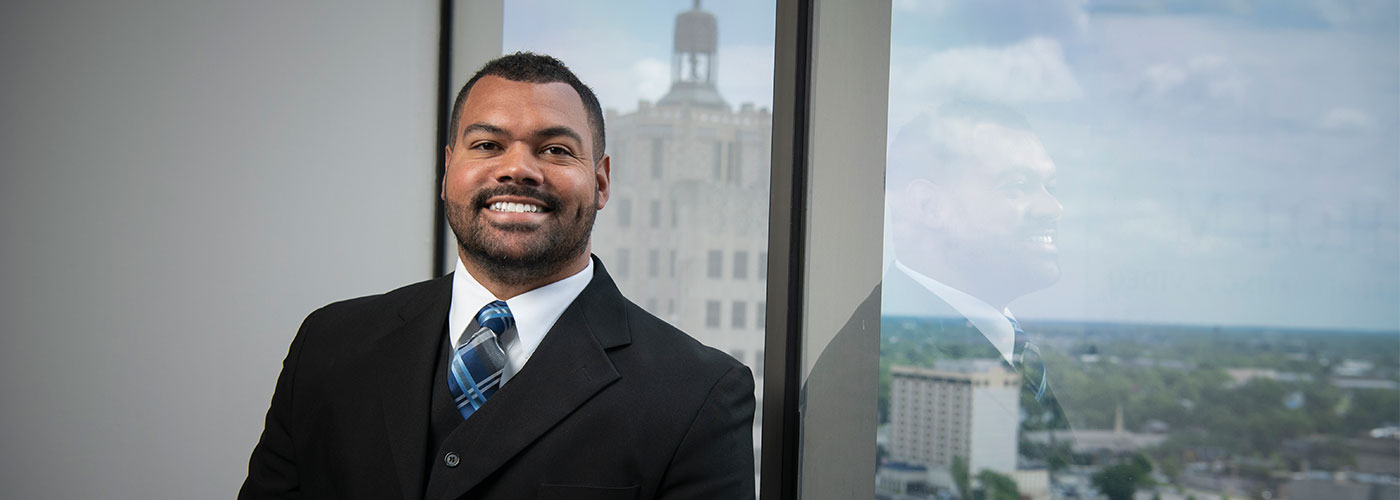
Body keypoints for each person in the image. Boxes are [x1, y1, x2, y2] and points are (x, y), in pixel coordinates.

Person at [240, 52, 756, 500]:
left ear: (600, 181)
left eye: (555, 149)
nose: (517, 170)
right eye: (487, 145)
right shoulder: (328, 346)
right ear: (448, 173)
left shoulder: (699, 395)